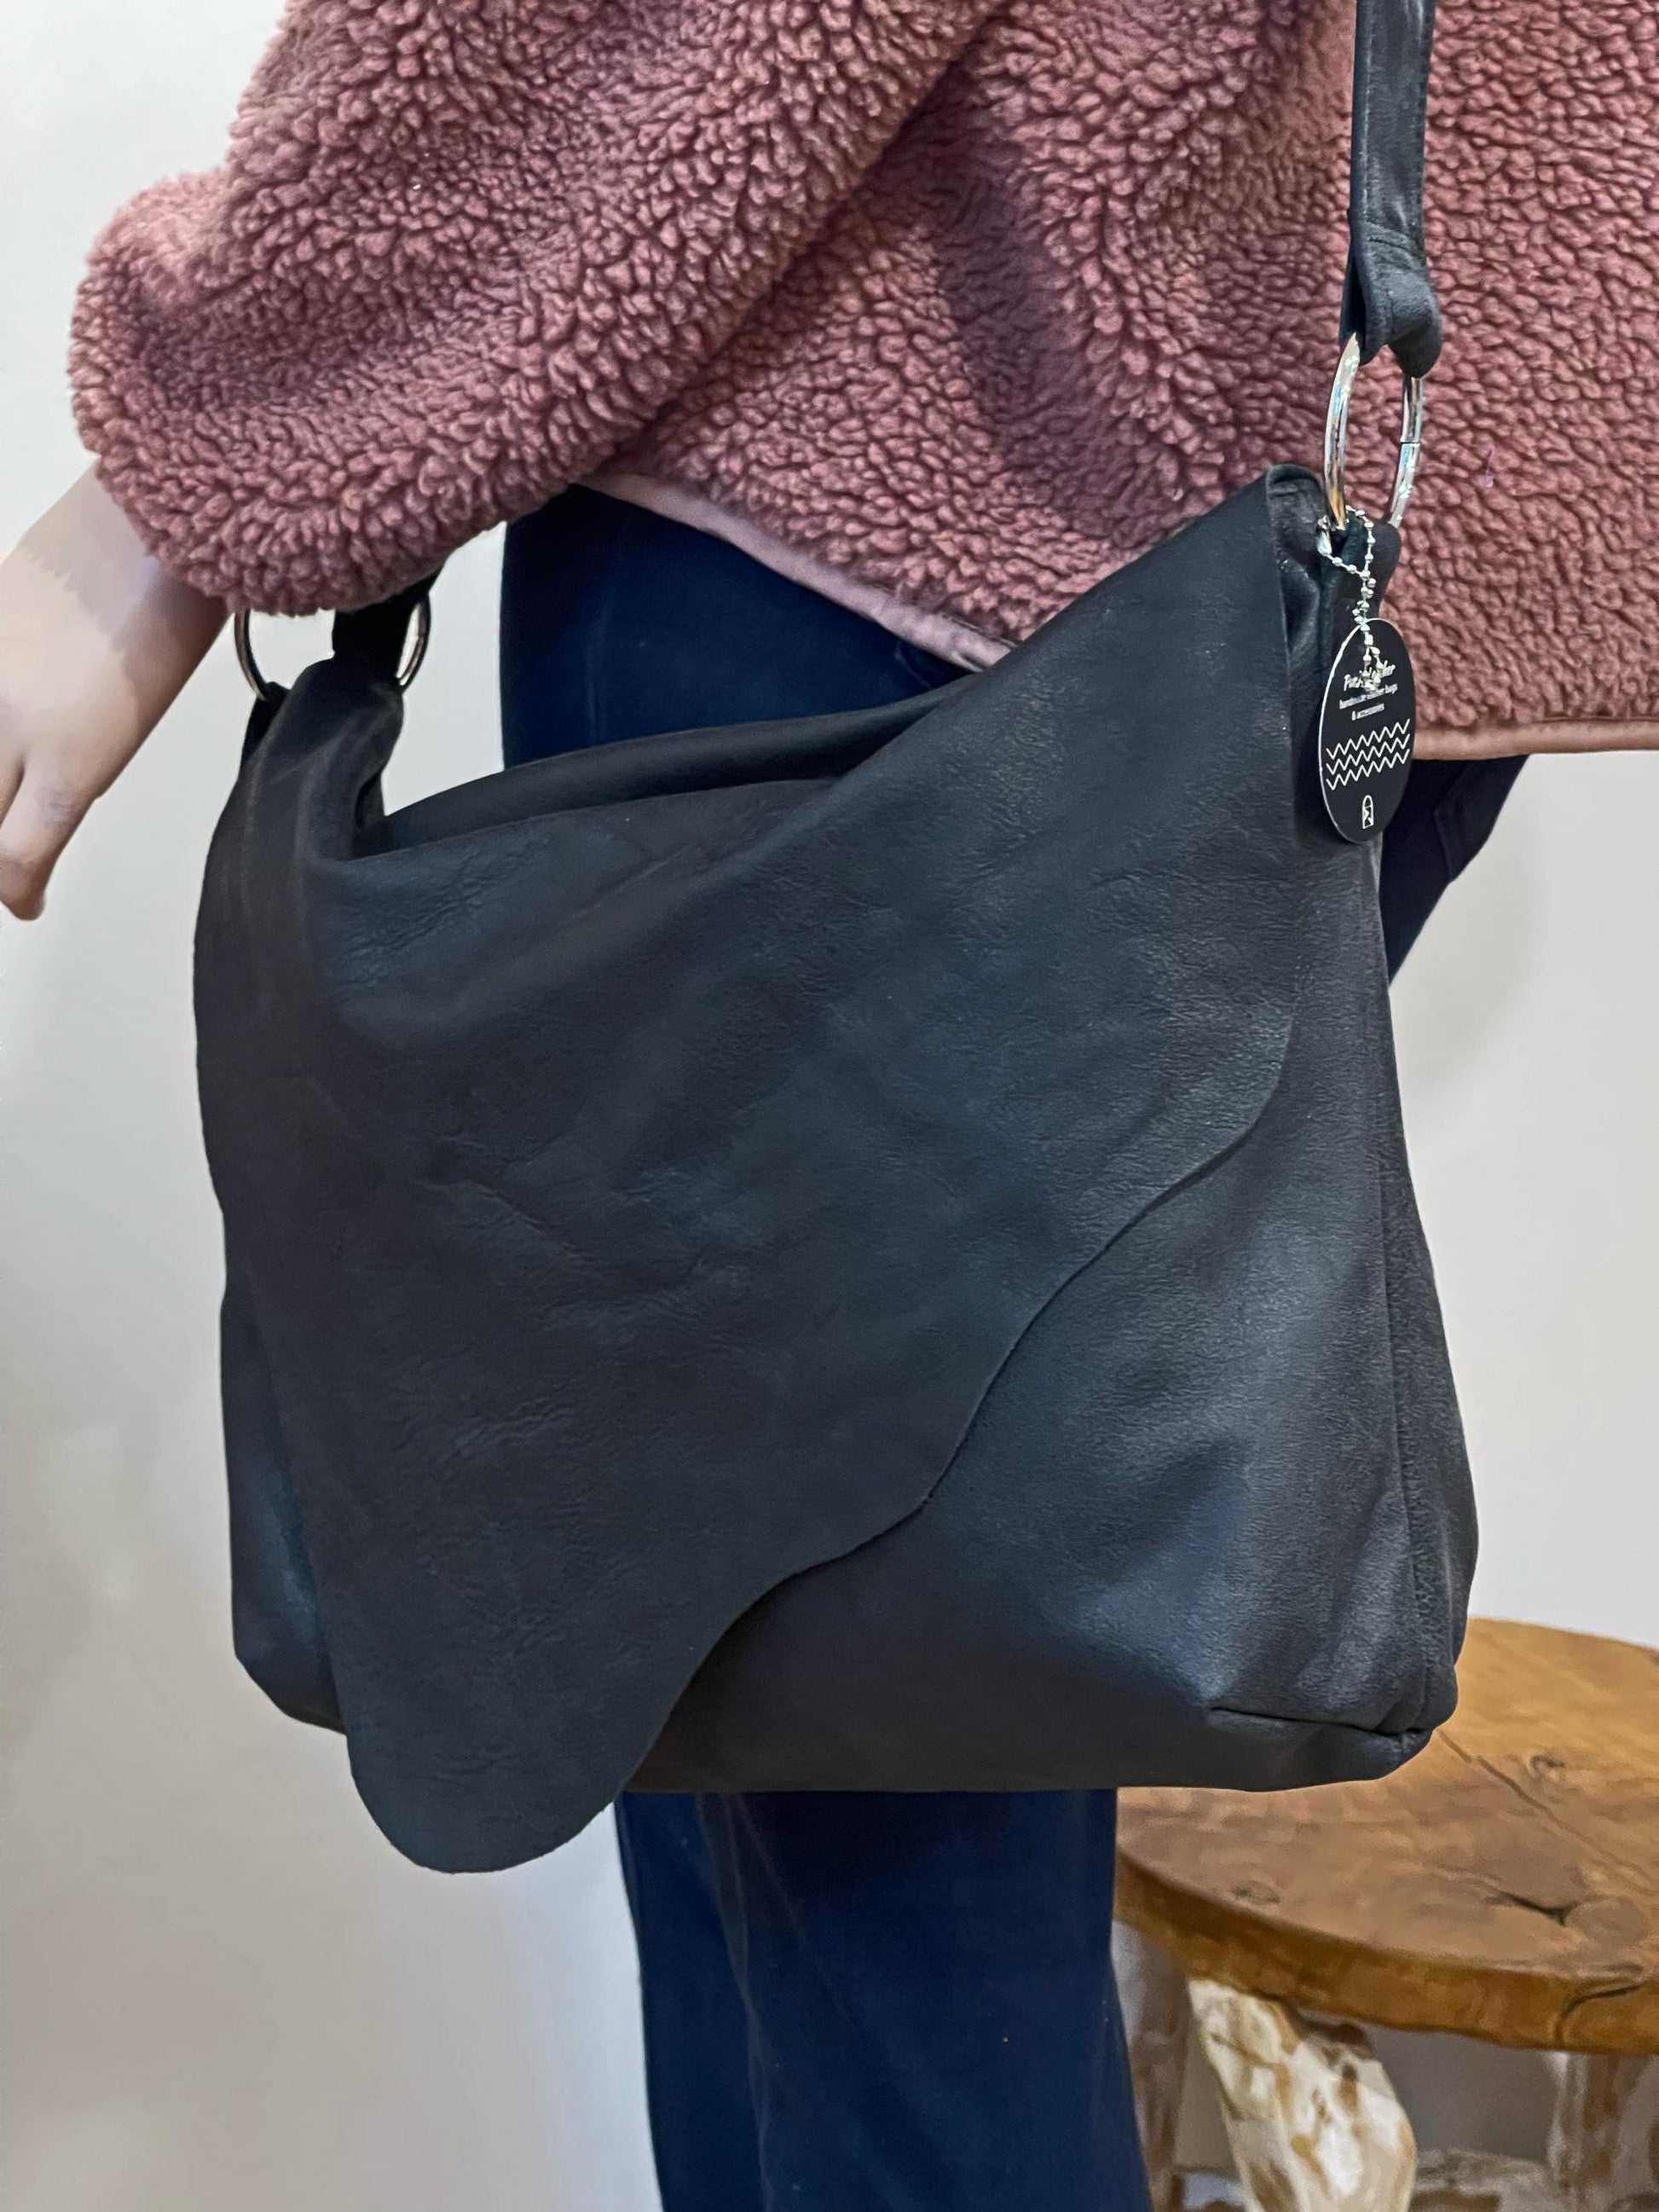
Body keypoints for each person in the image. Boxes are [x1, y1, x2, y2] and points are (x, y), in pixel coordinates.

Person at [3, 2, 1654, 2205]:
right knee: (807, 1731)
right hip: (1385, 519)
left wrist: (193, 464)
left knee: (862, 1833)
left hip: (916, 465)